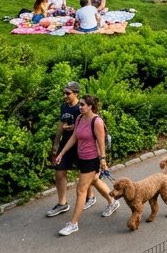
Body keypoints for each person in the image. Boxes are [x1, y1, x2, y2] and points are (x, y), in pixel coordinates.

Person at [53, 94, 119, 235]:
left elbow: (101, 143)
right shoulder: (79, 118)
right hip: (81, 158)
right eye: (80, 104)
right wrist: (61, 153)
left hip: (92, 159)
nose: (80, 107)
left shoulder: (97, 121)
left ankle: (73, 224)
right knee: (94, 180)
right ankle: (113, 202)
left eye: (82, 104)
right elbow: (74, 137)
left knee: (81, 190)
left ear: (90, 107)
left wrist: (103, 161)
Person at [46, 82, 86, 218]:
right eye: (64, 93)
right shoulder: (64, 107)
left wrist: (73, 128)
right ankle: (62, 203)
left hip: (80, 145)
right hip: (65, 145)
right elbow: (60, 126)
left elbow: (87, 125)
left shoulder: (81, 108)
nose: (65, 96)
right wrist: (55, 145)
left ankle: (91, 197)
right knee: (59, 171)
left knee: (86, 174)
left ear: (76, 93)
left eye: (68, 93)